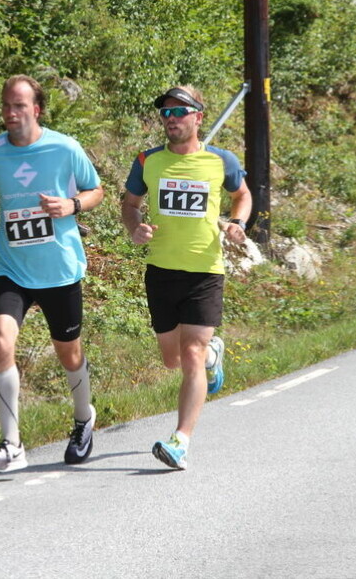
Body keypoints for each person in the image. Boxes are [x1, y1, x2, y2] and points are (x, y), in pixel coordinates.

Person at [0, 74, 104, 473]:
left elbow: (96, 190)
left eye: (19, 106)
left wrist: (72, 206)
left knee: (69, 353)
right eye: (6, 105)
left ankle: (84, 419)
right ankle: (12, 445)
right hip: (12, 266)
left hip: (59, 268)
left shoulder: (64, 148)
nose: (10, 113)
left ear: (36, 109)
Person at [120, 85, 252, 470]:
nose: (172, 119)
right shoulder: (147, 161)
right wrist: (135, 228)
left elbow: (241, 195)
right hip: (161, 270)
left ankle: (180, 441)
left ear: (198, 117)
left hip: (204, 271)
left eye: (180, 112)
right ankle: (215, 353)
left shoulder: (220, 161)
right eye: (166, 113)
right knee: (171, 359)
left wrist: (238, 223)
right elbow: (130, 205)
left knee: (190, 353)